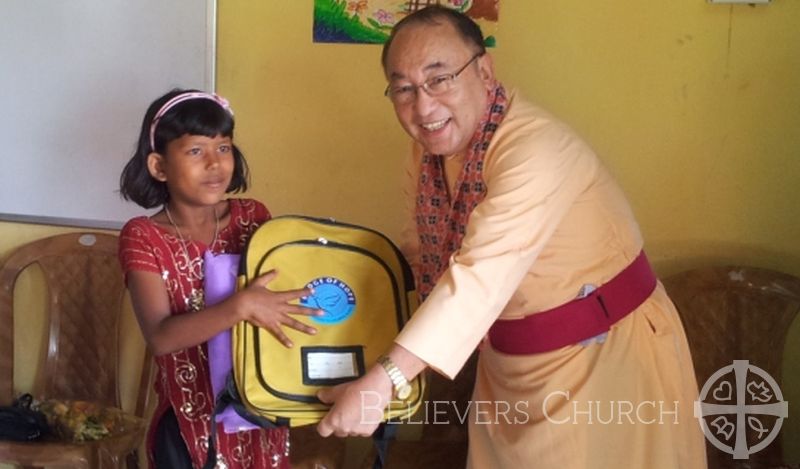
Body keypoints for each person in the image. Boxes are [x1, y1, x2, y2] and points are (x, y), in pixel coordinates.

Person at [317, 6, 708, 468]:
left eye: (439, 79)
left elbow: (476, 279)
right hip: (508, 364)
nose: (423, 106)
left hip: (603, 358)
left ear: (484, 70)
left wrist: (383, 381)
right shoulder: (428, 153)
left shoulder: (535, 149)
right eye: (403, 88)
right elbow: (423, 257)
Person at [118, 89, 322, 468]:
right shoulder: (143, 236)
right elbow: (161, 337)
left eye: (224, 148)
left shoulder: (253, 217)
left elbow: (275, 297)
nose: (215, 163)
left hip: (257, 414)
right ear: (159, 166)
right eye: (196, 151)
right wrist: (241, 306)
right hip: (186, 423)